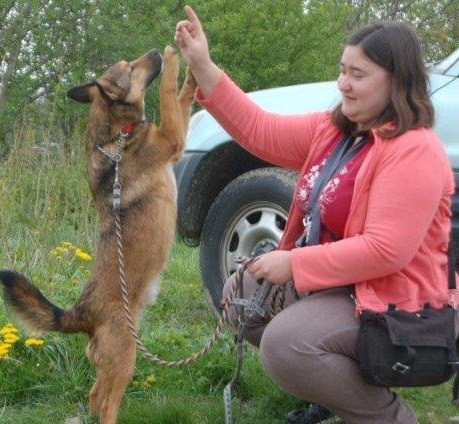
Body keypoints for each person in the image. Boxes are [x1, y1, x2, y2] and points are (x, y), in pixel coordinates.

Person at [175, 5, 455, 424]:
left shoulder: (414, 150)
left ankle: (389, 417)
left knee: (286, 345)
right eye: (342, 70)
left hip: (397, 301)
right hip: (344, 284)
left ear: (396, 80)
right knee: (241, 294)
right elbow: (258, 128)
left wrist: (294, 263)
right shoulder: (336, 130)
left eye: (358, 74)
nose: (343, 83)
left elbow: (386, 251)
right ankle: (338, 391)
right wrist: (202, 64)